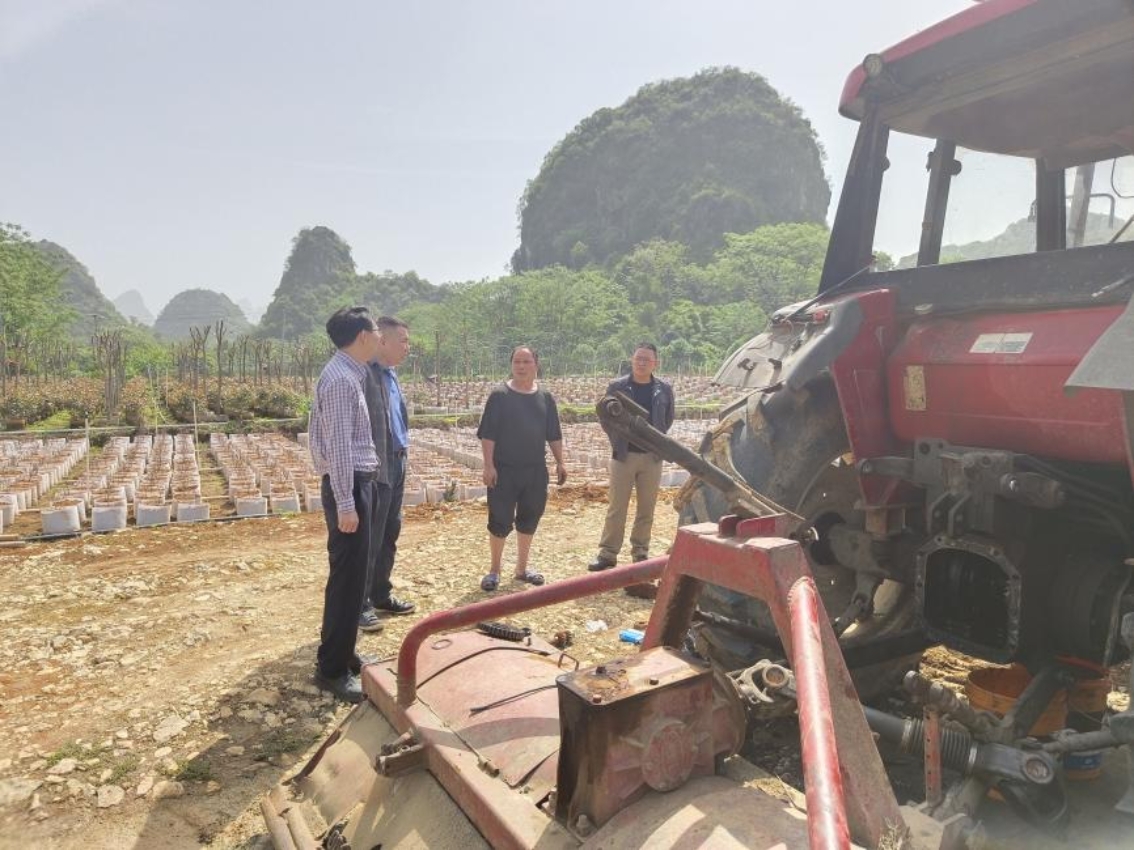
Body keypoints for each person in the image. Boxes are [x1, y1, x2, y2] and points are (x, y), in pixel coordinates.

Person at [308, 306, 383, 703]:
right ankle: (331, 669)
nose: (380, 338)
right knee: (346, 579)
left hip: (354, 483)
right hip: (349, 484)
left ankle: (344, 652)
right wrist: (345, 503)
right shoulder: (340, 380)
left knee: (353, 578)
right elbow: (338, 447)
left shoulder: (348, 373)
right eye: (376, 331)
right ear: (362, 336)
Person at [476, 346, 567, 591]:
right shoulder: (499, 396)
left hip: (535, 470)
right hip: (504, 470)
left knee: (530, 517)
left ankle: (522, 569)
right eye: (517, 361)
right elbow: (488, 434)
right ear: (511, 365)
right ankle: (494, 570)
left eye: (526, 361)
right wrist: (488, 465)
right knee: (499, 518)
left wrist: (560, 462)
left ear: (536, 365)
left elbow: (553, 434)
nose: (521, 366)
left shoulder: (545, 398)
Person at [588, 343, 675, 571]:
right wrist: (617, 439)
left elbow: (667, 419)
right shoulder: (617, 387)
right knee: (617, 507)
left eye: (647, 359)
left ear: (655, 363)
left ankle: (640, 552)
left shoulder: (664, 390)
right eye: (638, 358)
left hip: (652, 457)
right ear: (632, 360)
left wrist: (655, 441)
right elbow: (605, 416)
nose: (642, 363)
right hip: (623, 455)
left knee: (647, 508)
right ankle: (608, 553)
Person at [358, 315, 416, 632]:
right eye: (403, 341)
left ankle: (381, 593)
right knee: (371, 537)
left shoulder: (391, 374)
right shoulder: (364, 374)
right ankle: (360, 604)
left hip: (397, 459)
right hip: (377, 465)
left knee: (390, 531)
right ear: (383, 340)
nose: (407, 347)